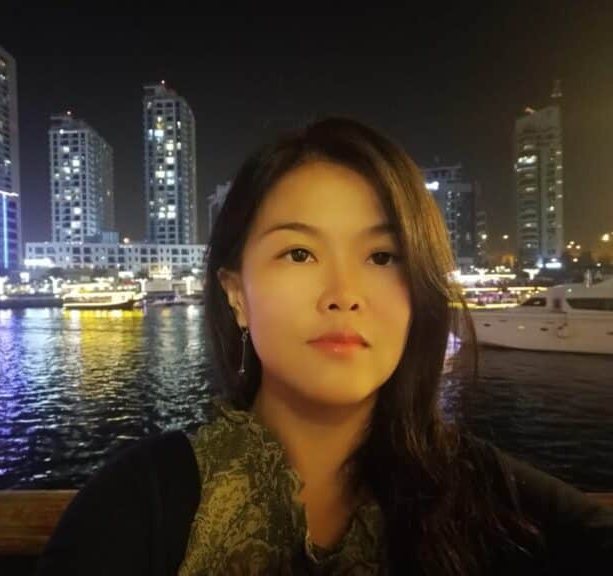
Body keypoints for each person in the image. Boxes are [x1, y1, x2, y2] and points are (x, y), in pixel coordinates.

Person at [35, 118, 612, 575]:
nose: (343, 295)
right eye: (300, 254)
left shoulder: (483, 490)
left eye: (382, 257)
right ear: (237, 293)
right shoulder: (139, 506)